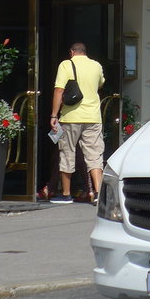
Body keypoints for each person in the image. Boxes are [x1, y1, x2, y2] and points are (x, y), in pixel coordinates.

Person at [49, 42, 105, 204]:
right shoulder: (96, 65)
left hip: (71, 116)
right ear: (85, 52)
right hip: (93, 117)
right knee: (94, 154)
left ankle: (66, 194)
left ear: (72, 52)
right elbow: (101, 83)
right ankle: (98, 192)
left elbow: (59, 90)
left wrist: (54, 115)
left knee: (67, 152)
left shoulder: (66, 64)